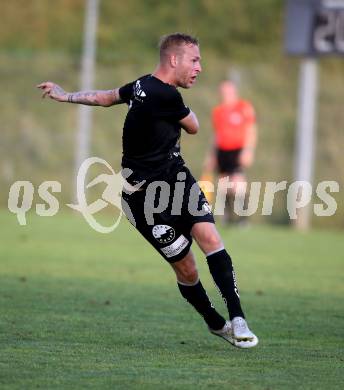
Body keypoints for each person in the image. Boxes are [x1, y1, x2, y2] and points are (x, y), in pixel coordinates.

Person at [37, 33, 258, 348]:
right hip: (141, 199)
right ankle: (215, 322)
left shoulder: (141, 86)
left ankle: (238, 317)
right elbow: (194, 126)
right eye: (194, 60)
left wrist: (66, 95)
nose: (199, 68)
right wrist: (185, 114)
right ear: (174, 60)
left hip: (176, 180)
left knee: (210, 238)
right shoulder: (167, 96)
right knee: (186, 267)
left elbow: (105, 96)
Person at [204, 81, 257, 224]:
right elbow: (216, 135)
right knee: (223, 185)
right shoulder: (218, 111)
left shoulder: (244, 107)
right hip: (222, 150)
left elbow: (250, 130)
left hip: (237, 149)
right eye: (223, 92)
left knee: (237, 183)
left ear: (234, 92)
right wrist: (212, 156)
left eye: (228, 92)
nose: (225, 95)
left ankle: (243, 218)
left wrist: (248, 150)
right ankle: (228, 218)